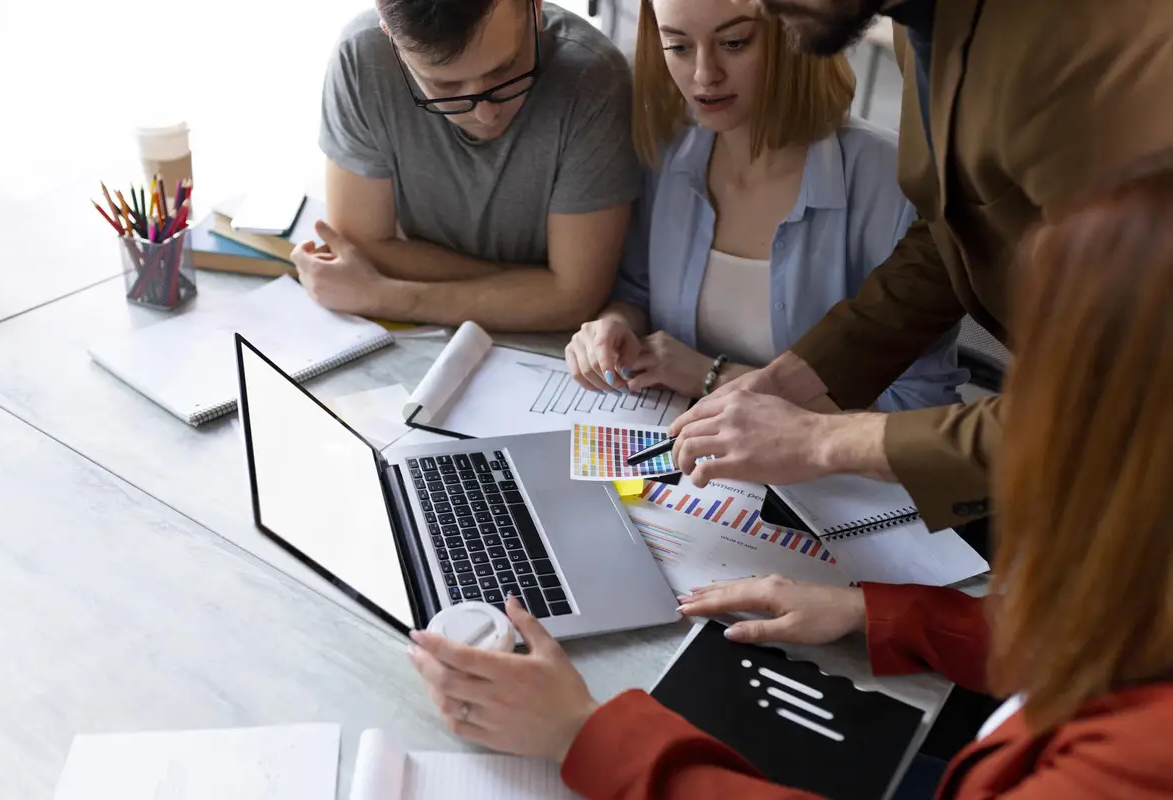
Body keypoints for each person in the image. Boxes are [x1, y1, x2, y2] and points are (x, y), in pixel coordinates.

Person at [407, 158, 1173, 798]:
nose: (1015, 427)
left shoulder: (1136, 763)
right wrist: (878, 615)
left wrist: (584, 733)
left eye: (1051, 387)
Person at [666, 0, 1173, 529]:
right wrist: (795, 379)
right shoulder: (923, 20)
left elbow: (1122, 402)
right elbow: (953, 231)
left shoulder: (1092, 56)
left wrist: (826, 440)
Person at [564, 0, 963, 411]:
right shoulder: (665, 152)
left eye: (734, 43)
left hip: (823, 472)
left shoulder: (894, 185)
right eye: (678, 47)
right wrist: (613, 325)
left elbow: (919, 404)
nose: (704, 75)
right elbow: (638, 289)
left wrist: (712, 377)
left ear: (794, 30)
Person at [290, 0, 641, 332]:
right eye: (446, 86)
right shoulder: (361, 58)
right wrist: (536, 288)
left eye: (505, 70)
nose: (484, 114)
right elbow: (362, 245)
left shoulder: (593, 79)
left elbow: (575, 300)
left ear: (534, 6)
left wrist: (381, 295)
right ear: (391, 38)